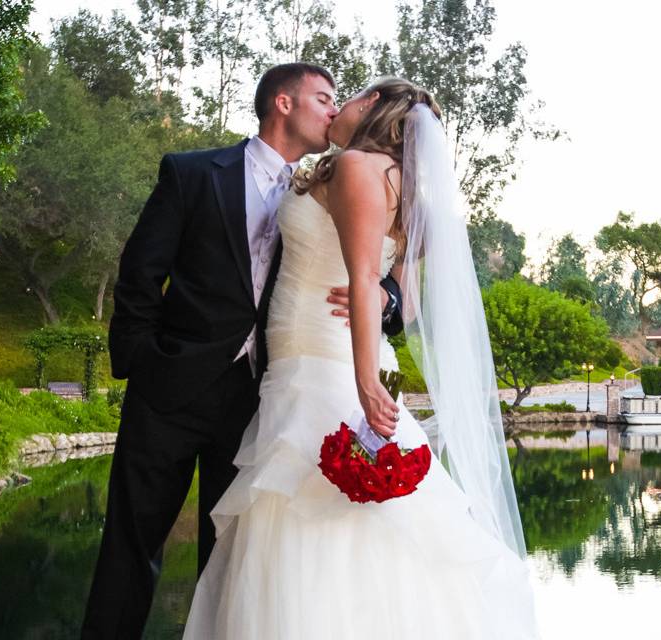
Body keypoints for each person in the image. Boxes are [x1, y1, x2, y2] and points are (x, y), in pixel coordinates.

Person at [183, 77, 539, 639]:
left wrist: (366, 378)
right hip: (317, 359)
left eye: (345, 96)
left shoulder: (357, 167)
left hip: (322, 363)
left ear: (370, 105)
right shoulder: (389, 180)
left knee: (306, 521)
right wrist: (383, 297)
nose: (337, 107)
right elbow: (406, 297)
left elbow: (363, 278)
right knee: (352, 525)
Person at [81, 63, 405, 639]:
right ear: (283, 103)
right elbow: (139, 272)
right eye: (324, 98)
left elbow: (381, 260)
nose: (335, 110)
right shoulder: (192, 173)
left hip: (257, 401)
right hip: (169, 392)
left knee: (231, 558)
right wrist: (144, 363)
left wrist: (389, 294)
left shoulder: (325, 187)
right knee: (132, 546)